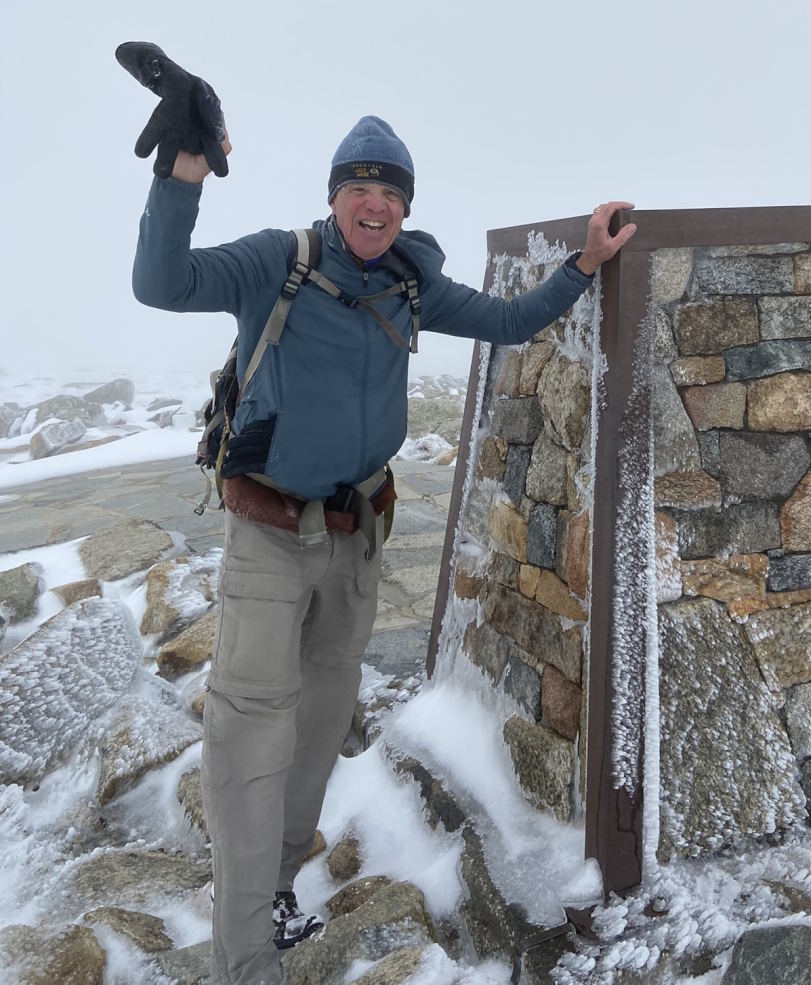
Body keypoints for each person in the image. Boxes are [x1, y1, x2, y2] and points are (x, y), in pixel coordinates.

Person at [131, 108, 635, 985]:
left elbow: (509, 320)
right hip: (269, 536)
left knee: (321, 729)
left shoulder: (407, 284)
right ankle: (243, 958)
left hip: (356, 538)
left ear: (404, 209)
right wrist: (182, 179)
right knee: (250, 738)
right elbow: (161, 284)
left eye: (389, 193)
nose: (374, 205)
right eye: (359, 189)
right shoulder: (275, 264)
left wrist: (585, 264)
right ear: (335, 199)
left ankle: (276, 886)